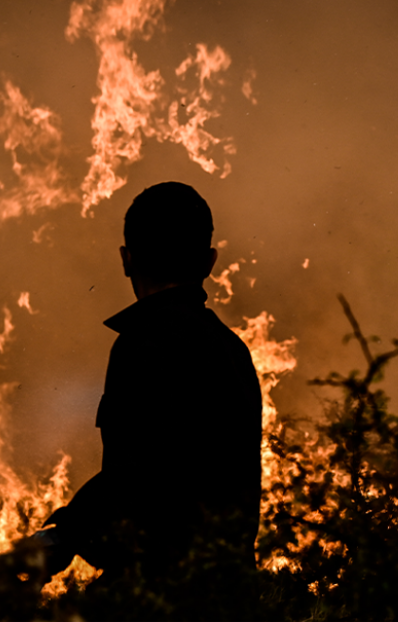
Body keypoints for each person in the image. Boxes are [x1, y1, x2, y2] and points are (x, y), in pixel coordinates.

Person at [30, 181, 263, 587]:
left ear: (126, 259)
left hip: (159, 591)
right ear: (209, 262)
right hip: (229, 590)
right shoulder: (232, 350)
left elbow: (142, 473)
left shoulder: (143, 344)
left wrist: (65, 536)